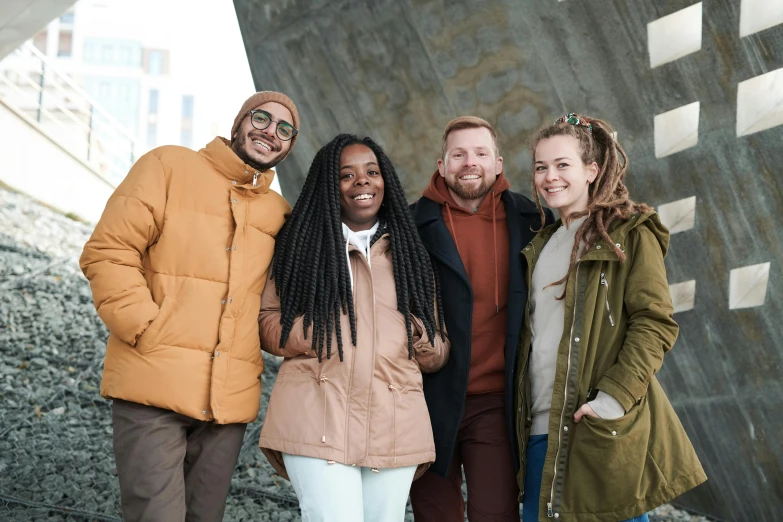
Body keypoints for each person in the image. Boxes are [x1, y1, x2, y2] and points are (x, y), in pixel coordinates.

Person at [79, 91, 300, 522]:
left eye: (284, 129)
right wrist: (146, 328)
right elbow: (108, 251)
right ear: (239, 123)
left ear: (289, 147)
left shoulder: (278, 213)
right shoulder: (167, 166)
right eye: (261, 118)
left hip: (227, 408)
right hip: (153, 387)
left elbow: (279, 300)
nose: (270, 132)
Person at [517, 113, 706, 521]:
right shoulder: (540, 246)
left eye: (562, 164)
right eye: (540, 167)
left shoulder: (629, 232)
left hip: (595, 427)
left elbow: (654, 322)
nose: (550, 176)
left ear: (591, 170)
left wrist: (612, 401)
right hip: (539, 432)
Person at [257, 134, 449, 522]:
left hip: (394, 420)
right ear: (329, 187)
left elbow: (438, 350)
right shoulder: (301, 247)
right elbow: (268, 324)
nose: (362, 181)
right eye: (346, 175)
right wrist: (323, 334)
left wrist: (414, 336)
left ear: (385, 181)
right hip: (316, 415)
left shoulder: (410, 253)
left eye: (372, 172)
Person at [409, 116, 552, 521]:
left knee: (496, 513)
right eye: (458, 154)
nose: (469, 162)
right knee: (435, 515)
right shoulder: (409, 224)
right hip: (426, 399)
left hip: (495, 402)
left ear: (499, 162)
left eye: (480, 153)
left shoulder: (533, 222)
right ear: (441, 165)